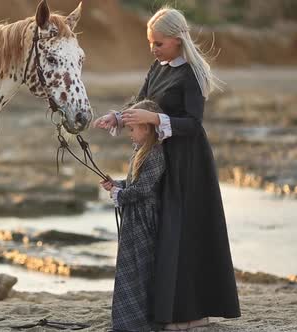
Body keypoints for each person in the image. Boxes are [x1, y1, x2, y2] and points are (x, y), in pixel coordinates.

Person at [95, 7, 241, 331]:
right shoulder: (158, 67)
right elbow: (142, 102)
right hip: (158, 157)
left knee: (183, 234)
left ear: (177, 40)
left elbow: (193, 123)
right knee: (163, 236)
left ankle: (193, 314)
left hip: (188, 164)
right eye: (150, 42)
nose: (153, 49)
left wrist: (153, 120)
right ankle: (169, 312)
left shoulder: (191, 73)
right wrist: (119, 117)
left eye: (158, 43)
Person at [101, 100, 165, 332]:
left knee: (141, 268)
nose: (129, 134)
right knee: (128, 266)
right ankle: (127, 321)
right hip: (133, 218)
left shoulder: (156, 153)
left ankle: (140, 321)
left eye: (132, 129)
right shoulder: (139, 151)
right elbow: (132, 184)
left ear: (146, 127)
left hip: (144, 221)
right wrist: (116, 184)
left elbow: (143, 189)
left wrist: (121, 194)